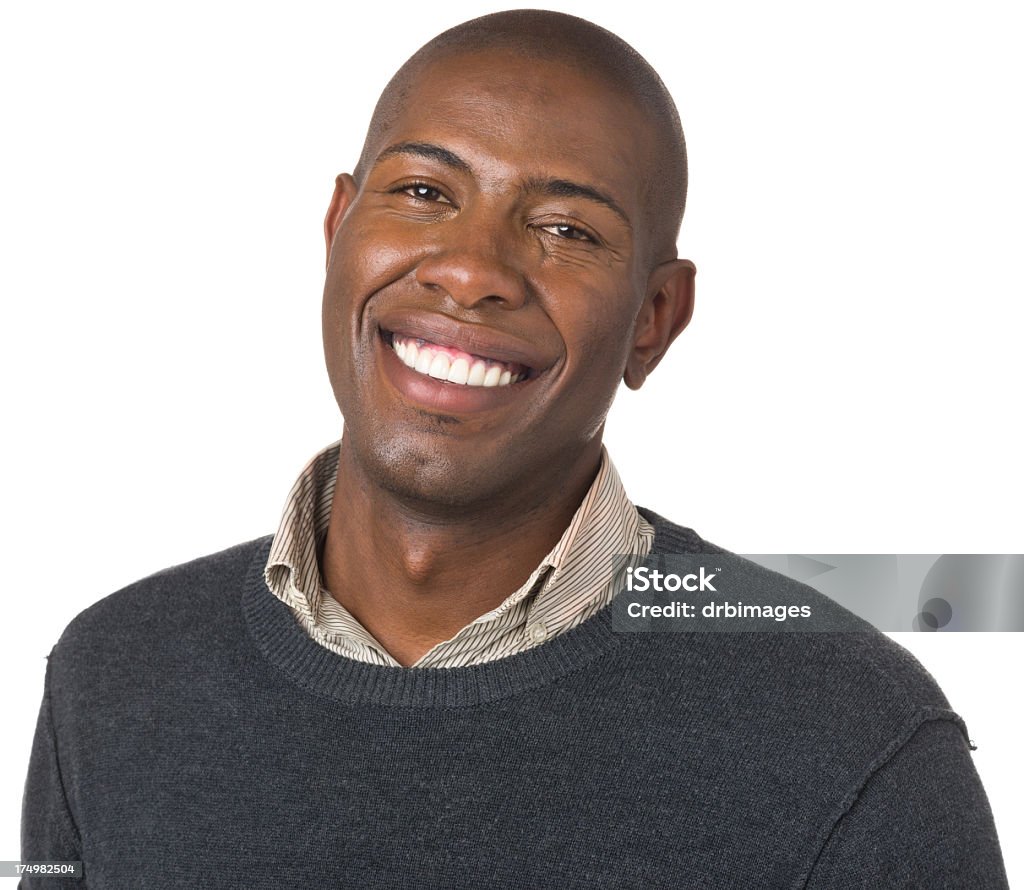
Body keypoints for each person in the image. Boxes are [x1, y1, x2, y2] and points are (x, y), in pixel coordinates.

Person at [20, 10, 1008, 888]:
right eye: (423, 191)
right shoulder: (111, 677)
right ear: (336, 228)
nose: (470, 268)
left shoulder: (853, 745)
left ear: (654, 320)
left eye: (566, 228)